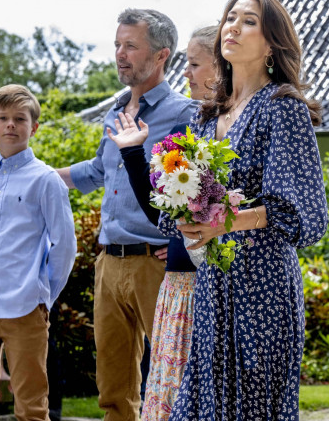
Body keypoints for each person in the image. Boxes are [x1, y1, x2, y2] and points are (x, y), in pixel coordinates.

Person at [144, 0, 328, 420]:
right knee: (201, 405)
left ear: (271, 43)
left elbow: (304, 212)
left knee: (254, 408)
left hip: (262, 285)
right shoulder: (206, 116)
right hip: (212, 284)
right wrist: (184, 212)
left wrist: (225, 223)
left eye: (248, 21)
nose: (233, 27)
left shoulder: (283, 107)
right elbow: (181, 200)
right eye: (230, 18)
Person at [56, 9, 198, 420]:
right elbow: (99, 171)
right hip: (108, 261)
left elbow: (195, 191)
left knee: (173, 376)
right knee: (113, 386)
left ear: (160, 55)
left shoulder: (185, 114)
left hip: (155, 265)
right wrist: (40, 176)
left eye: (130, 46)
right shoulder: (115, 111)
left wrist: (177, 244)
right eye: (117, 44)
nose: (119, 54)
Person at [107, 25, 218, 420]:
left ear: (220, 69)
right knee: (168, 398)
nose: (184, 73)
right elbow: (165, 213)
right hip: (179, 280)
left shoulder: (217, 125)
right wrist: (134, 154)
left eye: (192, 63)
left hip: (212, 284)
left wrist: (181, 237)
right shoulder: (191, 130)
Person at [0, 84, 76, 420]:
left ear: (33, 127)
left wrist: (43, 297)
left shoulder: (45, 180)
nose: (11, 124)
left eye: (19, 119)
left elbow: (65, 246)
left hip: (24, 307)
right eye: (3, 118)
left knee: (31, 402)